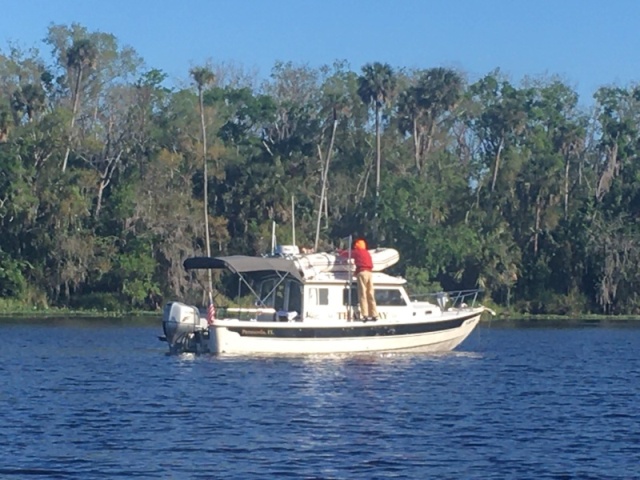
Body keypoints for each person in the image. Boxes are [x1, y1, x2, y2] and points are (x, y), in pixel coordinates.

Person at [341, 238, 378, 322]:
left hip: (362, 273)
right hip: (369, 273)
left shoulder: (357, 252)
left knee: (362, 294)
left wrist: (339, 252)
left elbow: (347, 254)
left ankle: (365, 315)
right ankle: (374, 314)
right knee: (370, 294)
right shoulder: (367, 253)